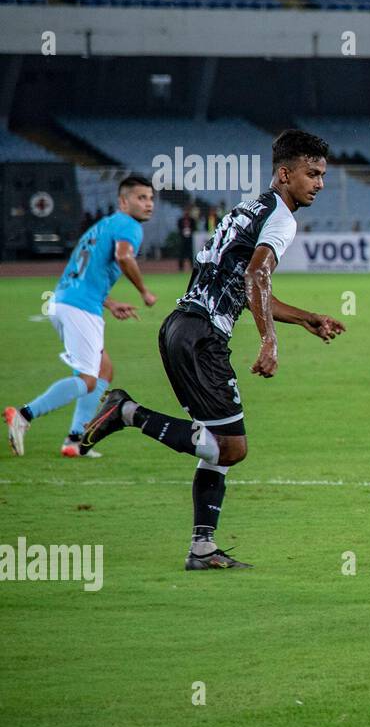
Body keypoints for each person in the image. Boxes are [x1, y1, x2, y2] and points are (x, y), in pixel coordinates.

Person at [79, 130, 346, 571]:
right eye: (311, 174)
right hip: (202, 337)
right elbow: (257, 278)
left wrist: (306, 319)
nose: (319, 183)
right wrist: (269, 341)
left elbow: (244, 286)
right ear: (285, 173)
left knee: (216, 442)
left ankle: (202, 547)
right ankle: (127, 412)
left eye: (322, 175)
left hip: (180, 329)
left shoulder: (249, 210)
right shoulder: (281, 216)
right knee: (232, 448)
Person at [6, 175, 157, 459]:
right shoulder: (129, 226)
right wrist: (144, 292)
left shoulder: (102, 226)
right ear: (123, 201)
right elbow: (124, 257)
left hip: (64, 301)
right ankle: (24, 415)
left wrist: (110, 303)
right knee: (88, 379)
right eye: (141, 198)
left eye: (150, 198)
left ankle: (75, 440)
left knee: (103, 370)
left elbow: (84, 272)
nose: (148, 204)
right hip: (80, 309)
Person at [178, 204, 196, 272]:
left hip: (190, 238)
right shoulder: (180, 220)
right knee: (182, 252)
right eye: (185, 211)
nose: (186, 212)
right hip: (183, 238)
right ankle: (181, 267)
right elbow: (179, 228)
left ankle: (192, 266)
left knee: (191, 252)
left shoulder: (192, 220)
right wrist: (182, 232)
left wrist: (190, 231)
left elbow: (194, 228)